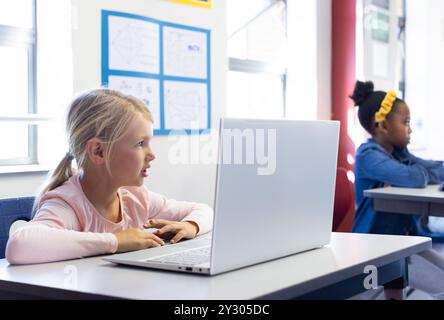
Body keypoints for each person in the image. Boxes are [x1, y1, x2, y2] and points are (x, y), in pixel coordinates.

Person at [6, 89, 213, 265]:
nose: (152, 154)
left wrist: (190, 226)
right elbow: (19, 245)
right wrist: (115, 241)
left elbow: (203, 210)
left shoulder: (136, 196)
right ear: (98, 151)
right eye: (140, 143)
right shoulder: (68, 204)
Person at [351, 81, 444, 299]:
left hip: (403, 244)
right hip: (375, 248)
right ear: (383, 126)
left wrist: (420, 172)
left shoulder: (400, 154)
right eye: (406, 122)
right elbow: (415, 177)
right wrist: (420, 173)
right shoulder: (368, 156)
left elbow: (436, 169)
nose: (410, 129)